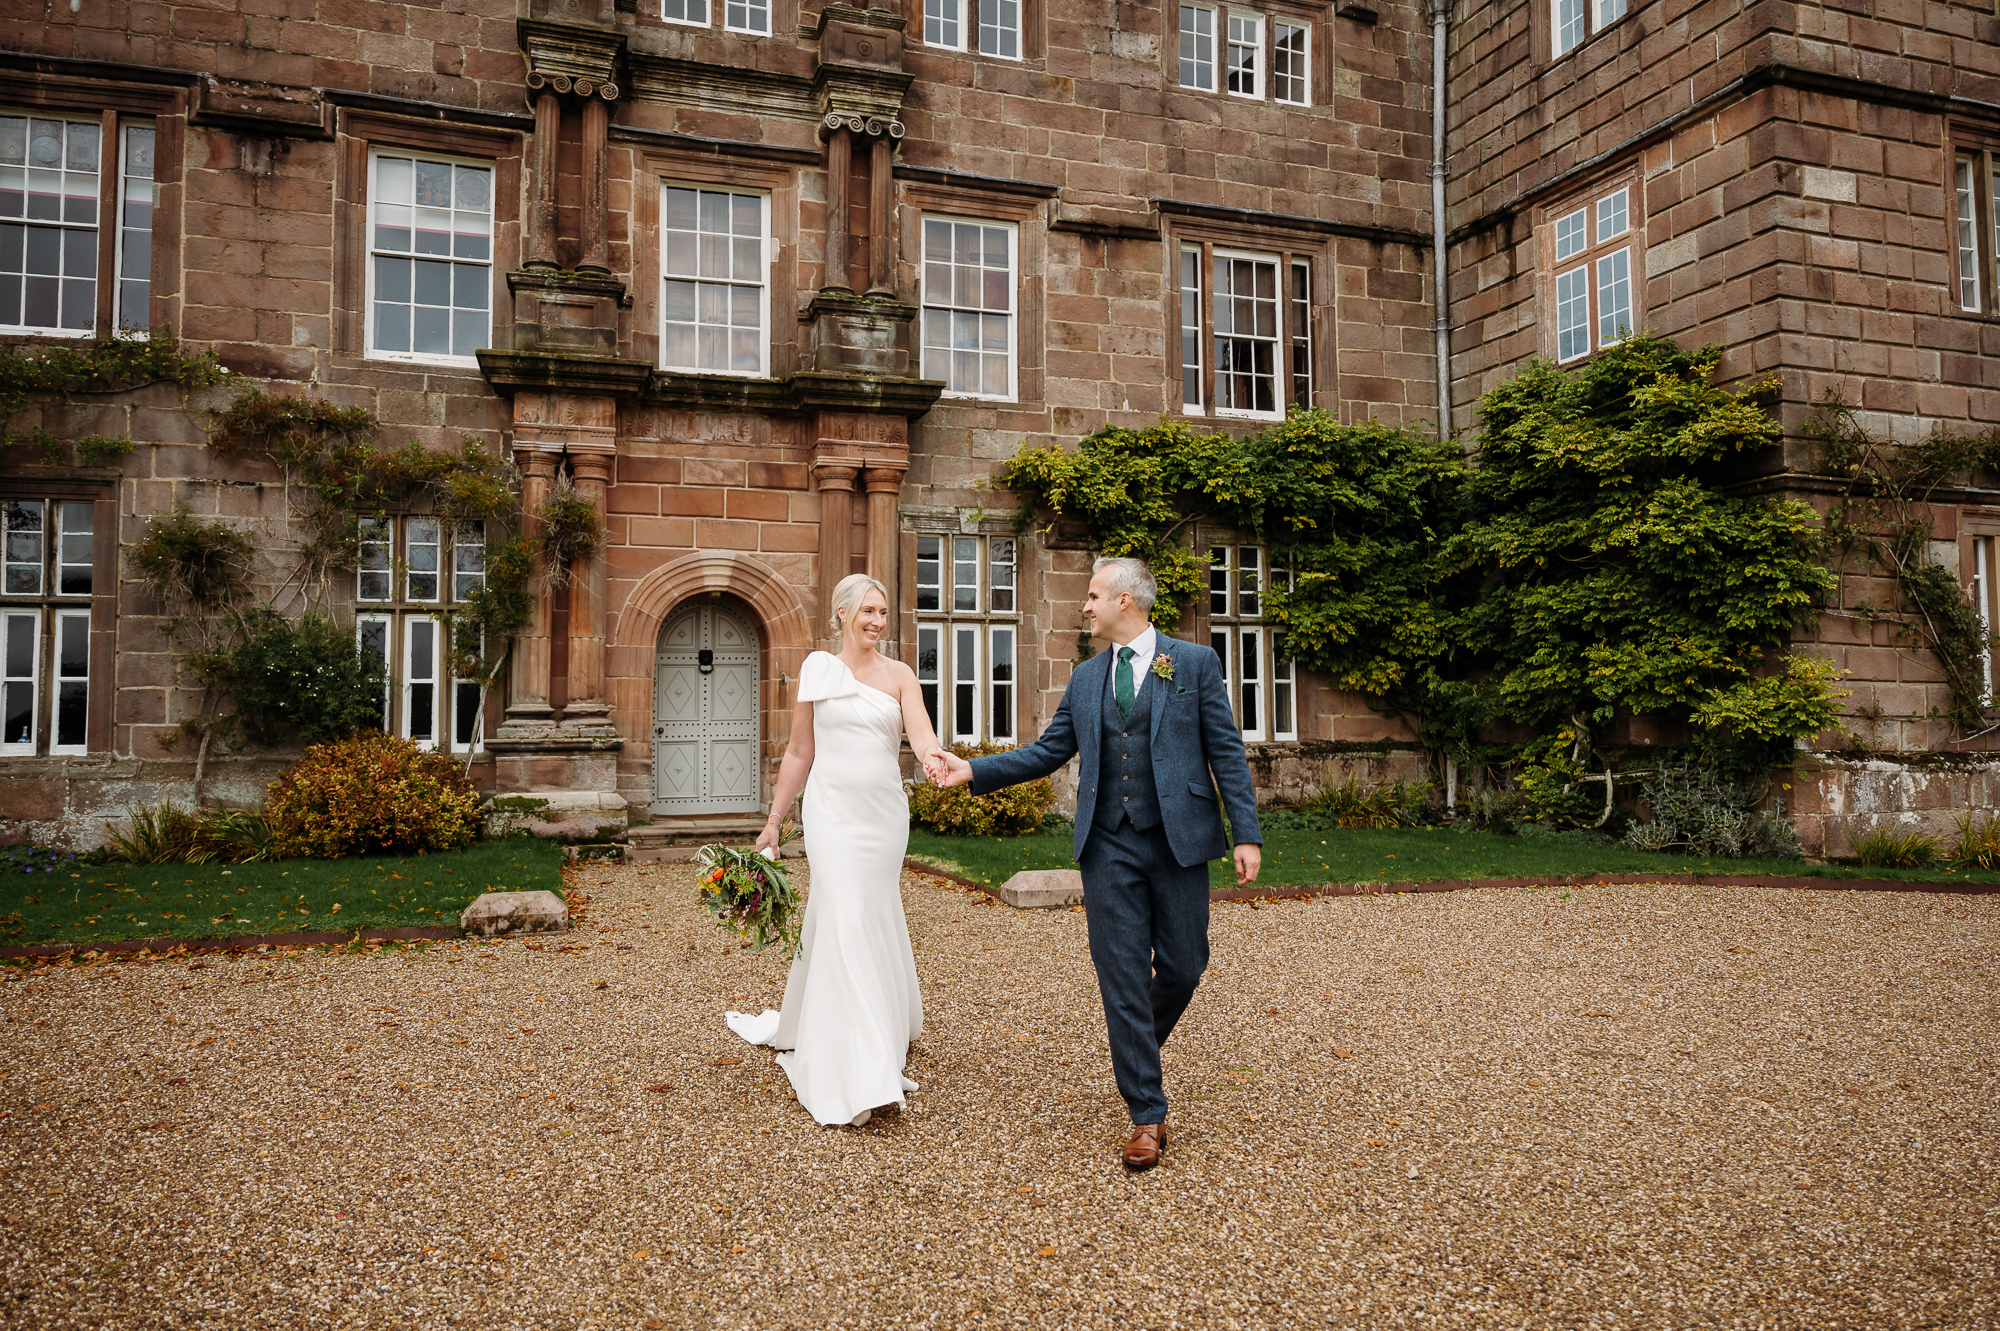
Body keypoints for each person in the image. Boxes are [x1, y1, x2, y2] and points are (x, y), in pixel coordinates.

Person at [928, 555, 1261, 1171]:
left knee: (1186, 967)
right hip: (1107, 845)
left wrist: (1248, 833)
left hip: (1179, 840)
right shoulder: (1085, 678)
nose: (1085, 605)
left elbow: (1226, 752)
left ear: (1125, 601)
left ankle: (1134, 1052)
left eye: (1093, 595)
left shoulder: (1193, 663)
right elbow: (1051, 750)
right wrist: (973, 769)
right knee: (1123, 977)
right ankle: (1147, 1114)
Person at [725, 574, 949, 1127]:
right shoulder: (818, 671)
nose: (876, 621)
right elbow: (801, 750)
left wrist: (934, 757)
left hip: (883, 818)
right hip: (829, 814)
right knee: (845, 916)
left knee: (866, 913)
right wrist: (774, 821)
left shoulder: (899, 676)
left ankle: (875, 1027)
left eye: (883, 611)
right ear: (843, 612)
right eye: (867, 611)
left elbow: (919, 734)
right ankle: (865, 1068)